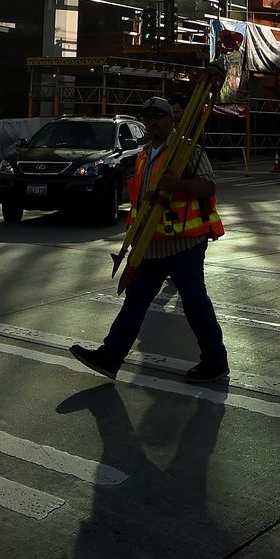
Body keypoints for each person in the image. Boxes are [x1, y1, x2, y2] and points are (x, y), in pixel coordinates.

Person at [72, 95, 228, 384]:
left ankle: (216, 361)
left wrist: (179, 185)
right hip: (151, 245)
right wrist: (133, 241)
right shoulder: (144, 155)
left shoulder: (186, 151)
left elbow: (208, 185)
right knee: (135, 301)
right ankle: (110, 357)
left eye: (158, 117)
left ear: (172, 120)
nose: (152, 123)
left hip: (185, 244)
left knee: (195, 302)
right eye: (148, 118)